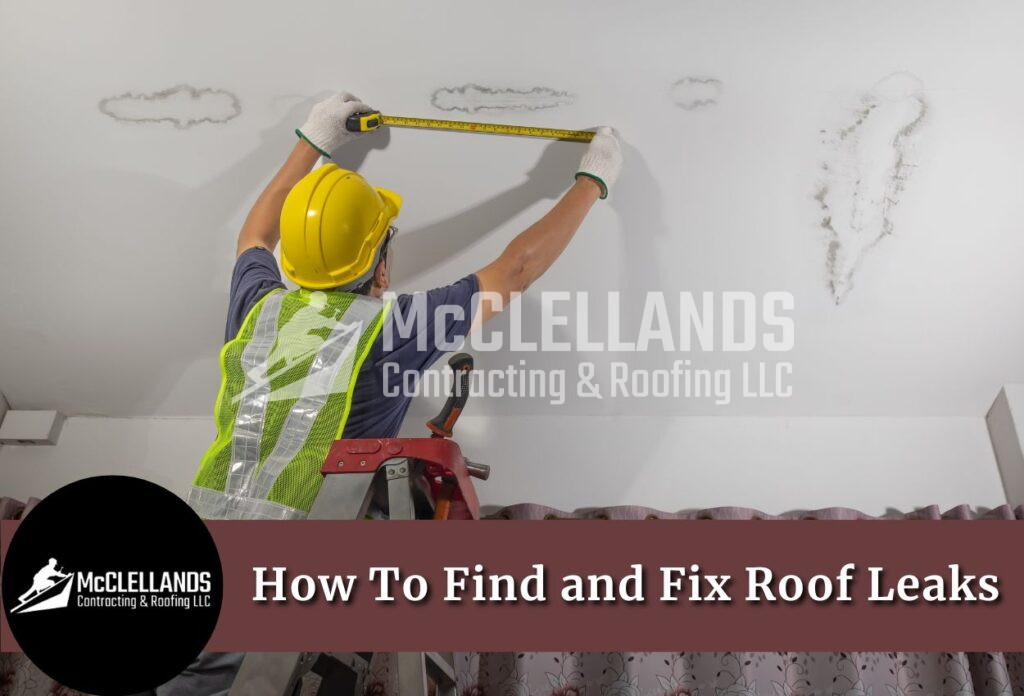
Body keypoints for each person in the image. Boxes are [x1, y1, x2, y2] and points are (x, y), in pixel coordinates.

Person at [153, 91, 620, 694]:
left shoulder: (258, 307)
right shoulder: (390, 330)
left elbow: (254, 233)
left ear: (295, 261)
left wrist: (314, 140)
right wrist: (595, 178)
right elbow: (515, 271)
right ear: (381, 268)